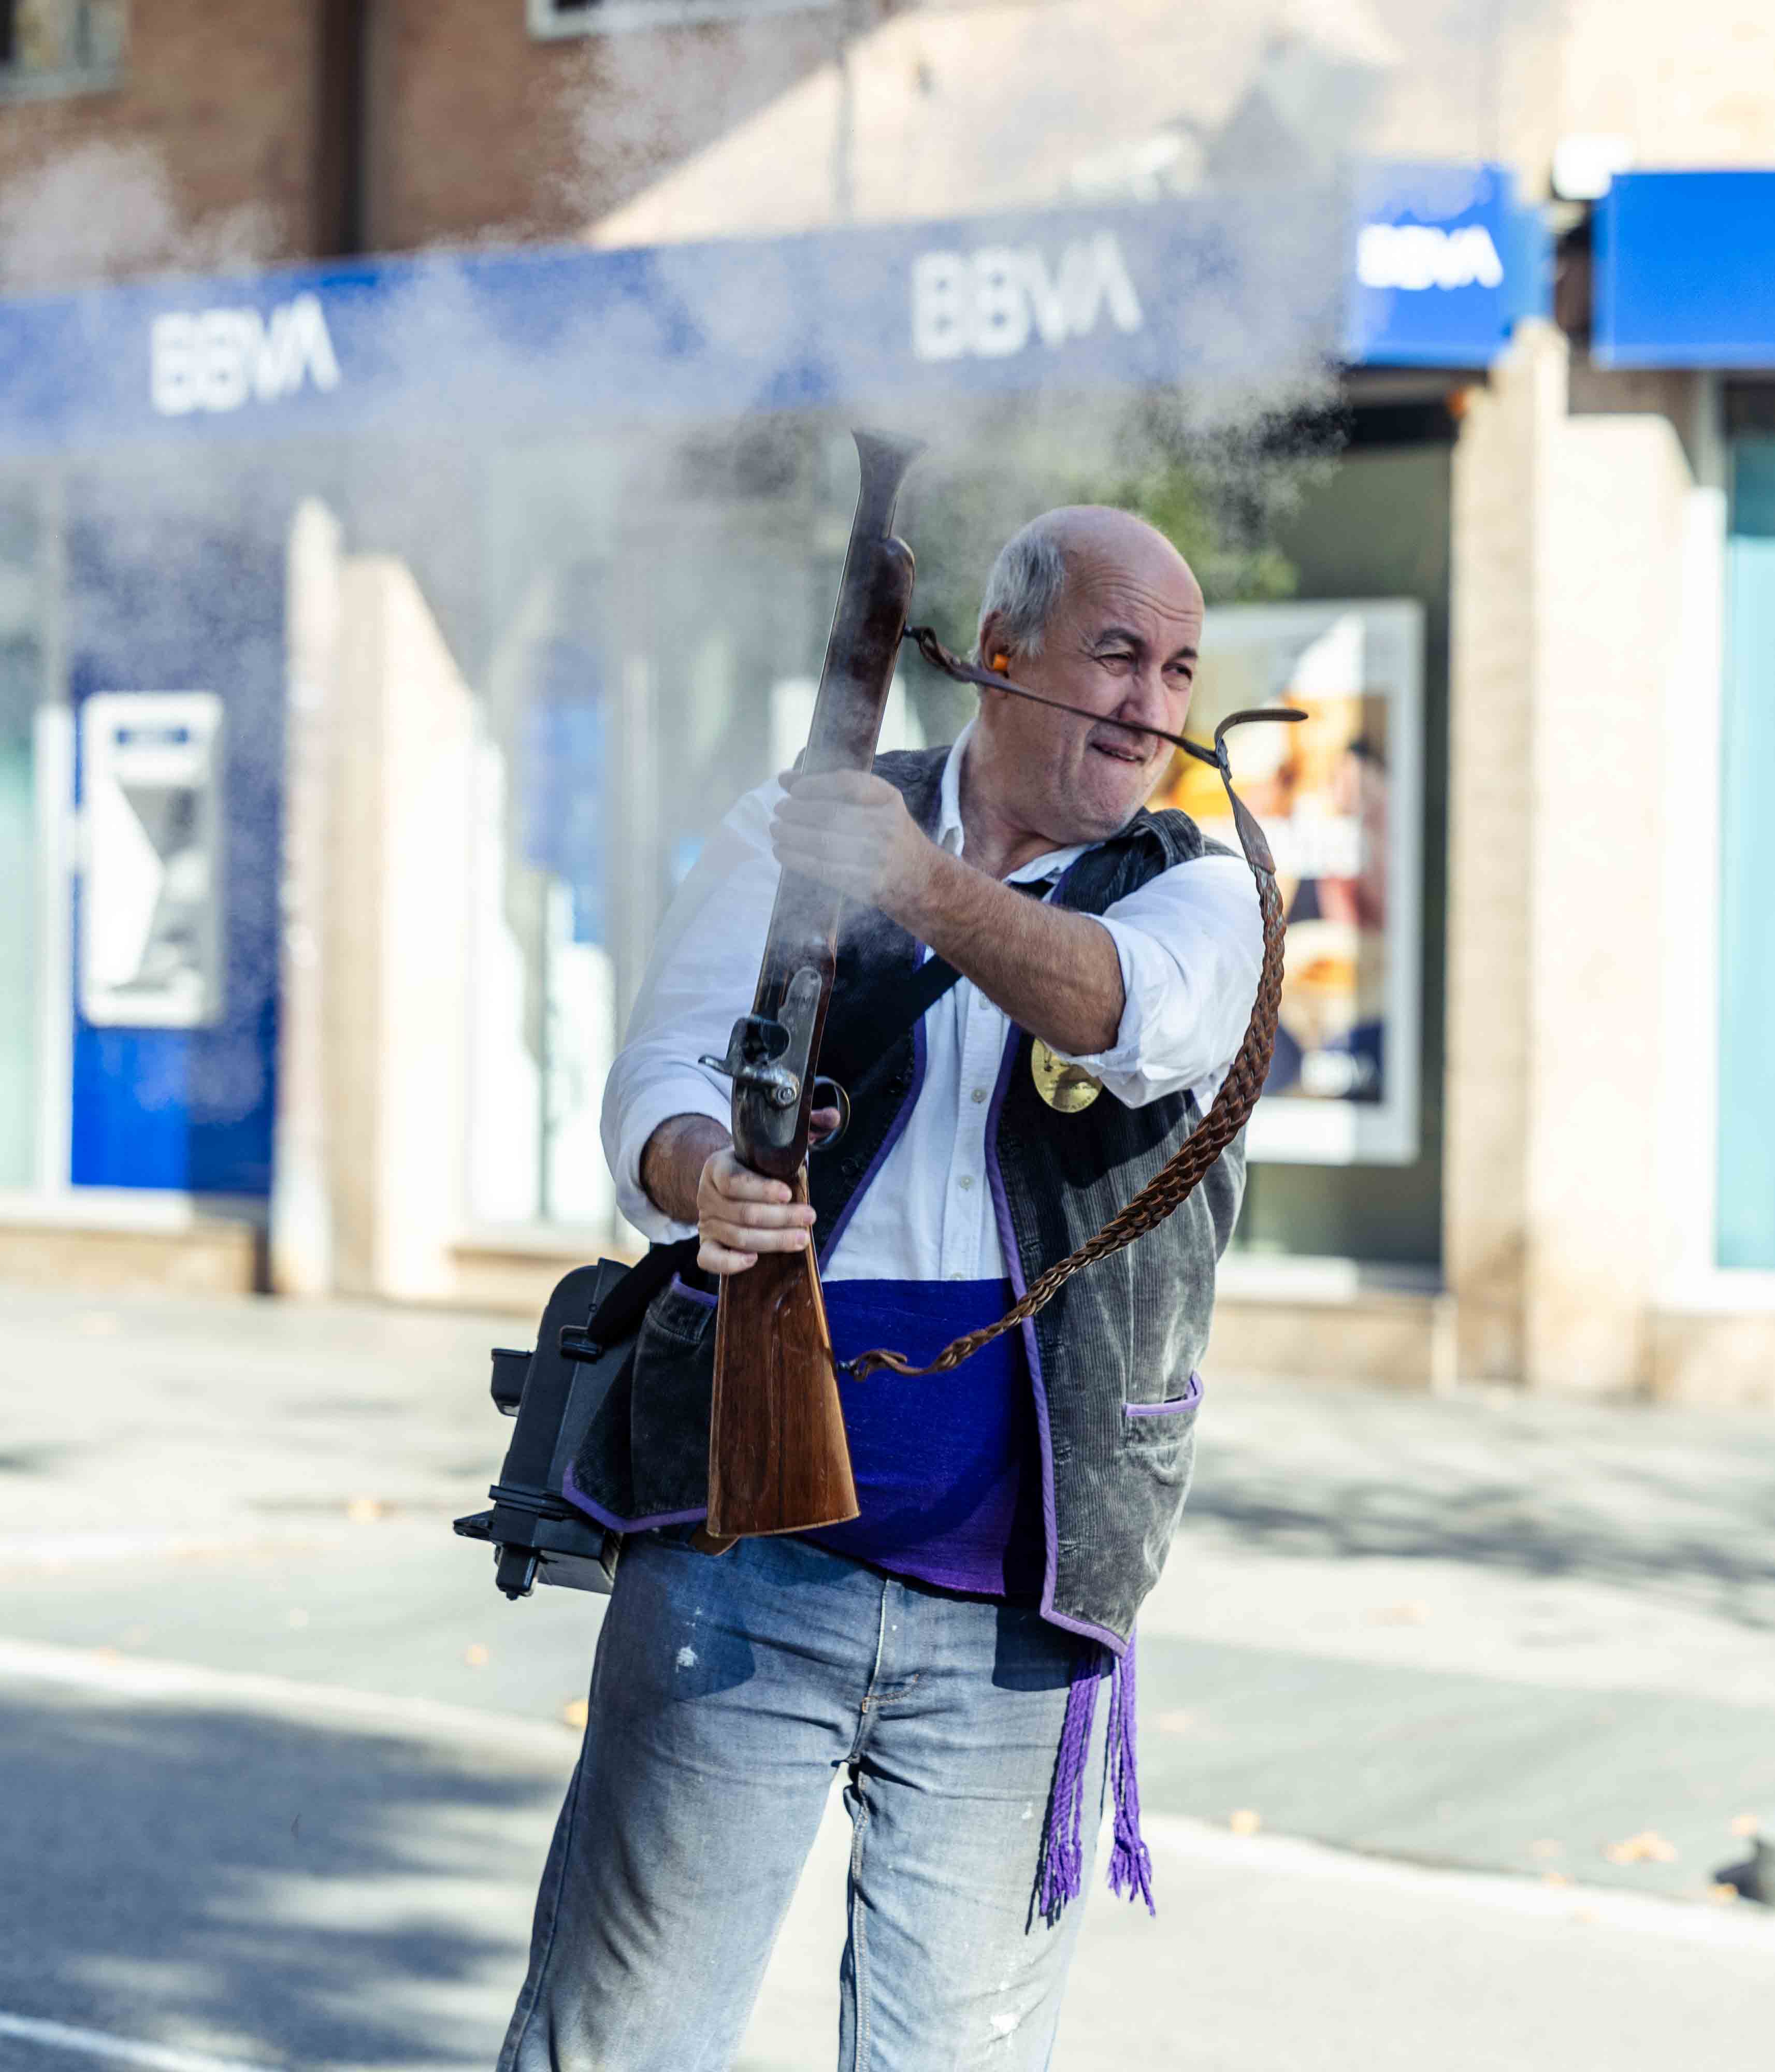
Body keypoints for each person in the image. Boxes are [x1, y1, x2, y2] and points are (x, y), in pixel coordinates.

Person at [496, 507, 1263, 2071]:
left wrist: (910, 880)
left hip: (1018, 1610)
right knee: (617, 2044)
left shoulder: (1206, 887)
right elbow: (660, 1070)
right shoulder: (797, 823)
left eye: (1178, 669)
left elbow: (1131, 1013)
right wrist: (701, 1171)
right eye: (1115, 654)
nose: (1150, 702)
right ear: (998, 656)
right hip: (736, 1554)